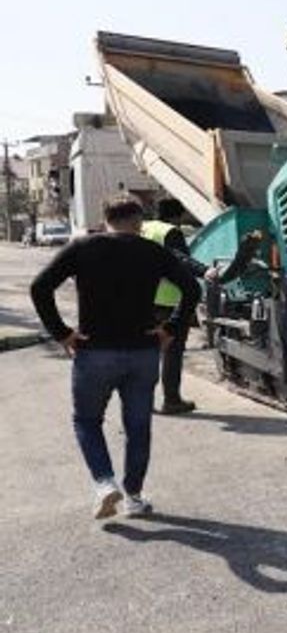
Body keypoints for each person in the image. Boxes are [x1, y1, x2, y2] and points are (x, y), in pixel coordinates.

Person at [30, 195, 200, 519]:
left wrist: (62, 333)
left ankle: (105, 483)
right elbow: (192, 289)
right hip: (143, 353)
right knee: (138, 425)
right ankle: (134, 496)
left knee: (86, 420)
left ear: (105, 217)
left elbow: (40, 287)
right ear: (138, 221)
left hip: (94, 352)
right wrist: (170, 328)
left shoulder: (82, 248)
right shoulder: (153, 251)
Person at [141, 199, 217, 414]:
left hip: (144, 299)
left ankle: (142, 399)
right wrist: (205, 271)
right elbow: (179, 259)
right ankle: (171, 400)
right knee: (172, 351)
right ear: (177, 216)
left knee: (147, 350)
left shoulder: (143, 228)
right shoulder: (171, 232)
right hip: (169, 300)